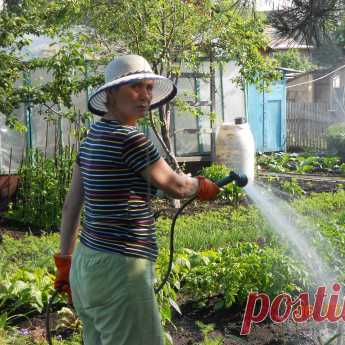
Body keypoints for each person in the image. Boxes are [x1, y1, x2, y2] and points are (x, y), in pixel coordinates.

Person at [53, 55, 220, 345]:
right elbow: (176, 186)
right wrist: (202, 185)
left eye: (148, 87)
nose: (144, 96)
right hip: (121, 268)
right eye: (135, 88)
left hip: (86, 264)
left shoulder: (91, 138)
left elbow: (71, 205)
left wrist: (65, 262)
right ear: (111, 94)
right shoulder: (131, 139)